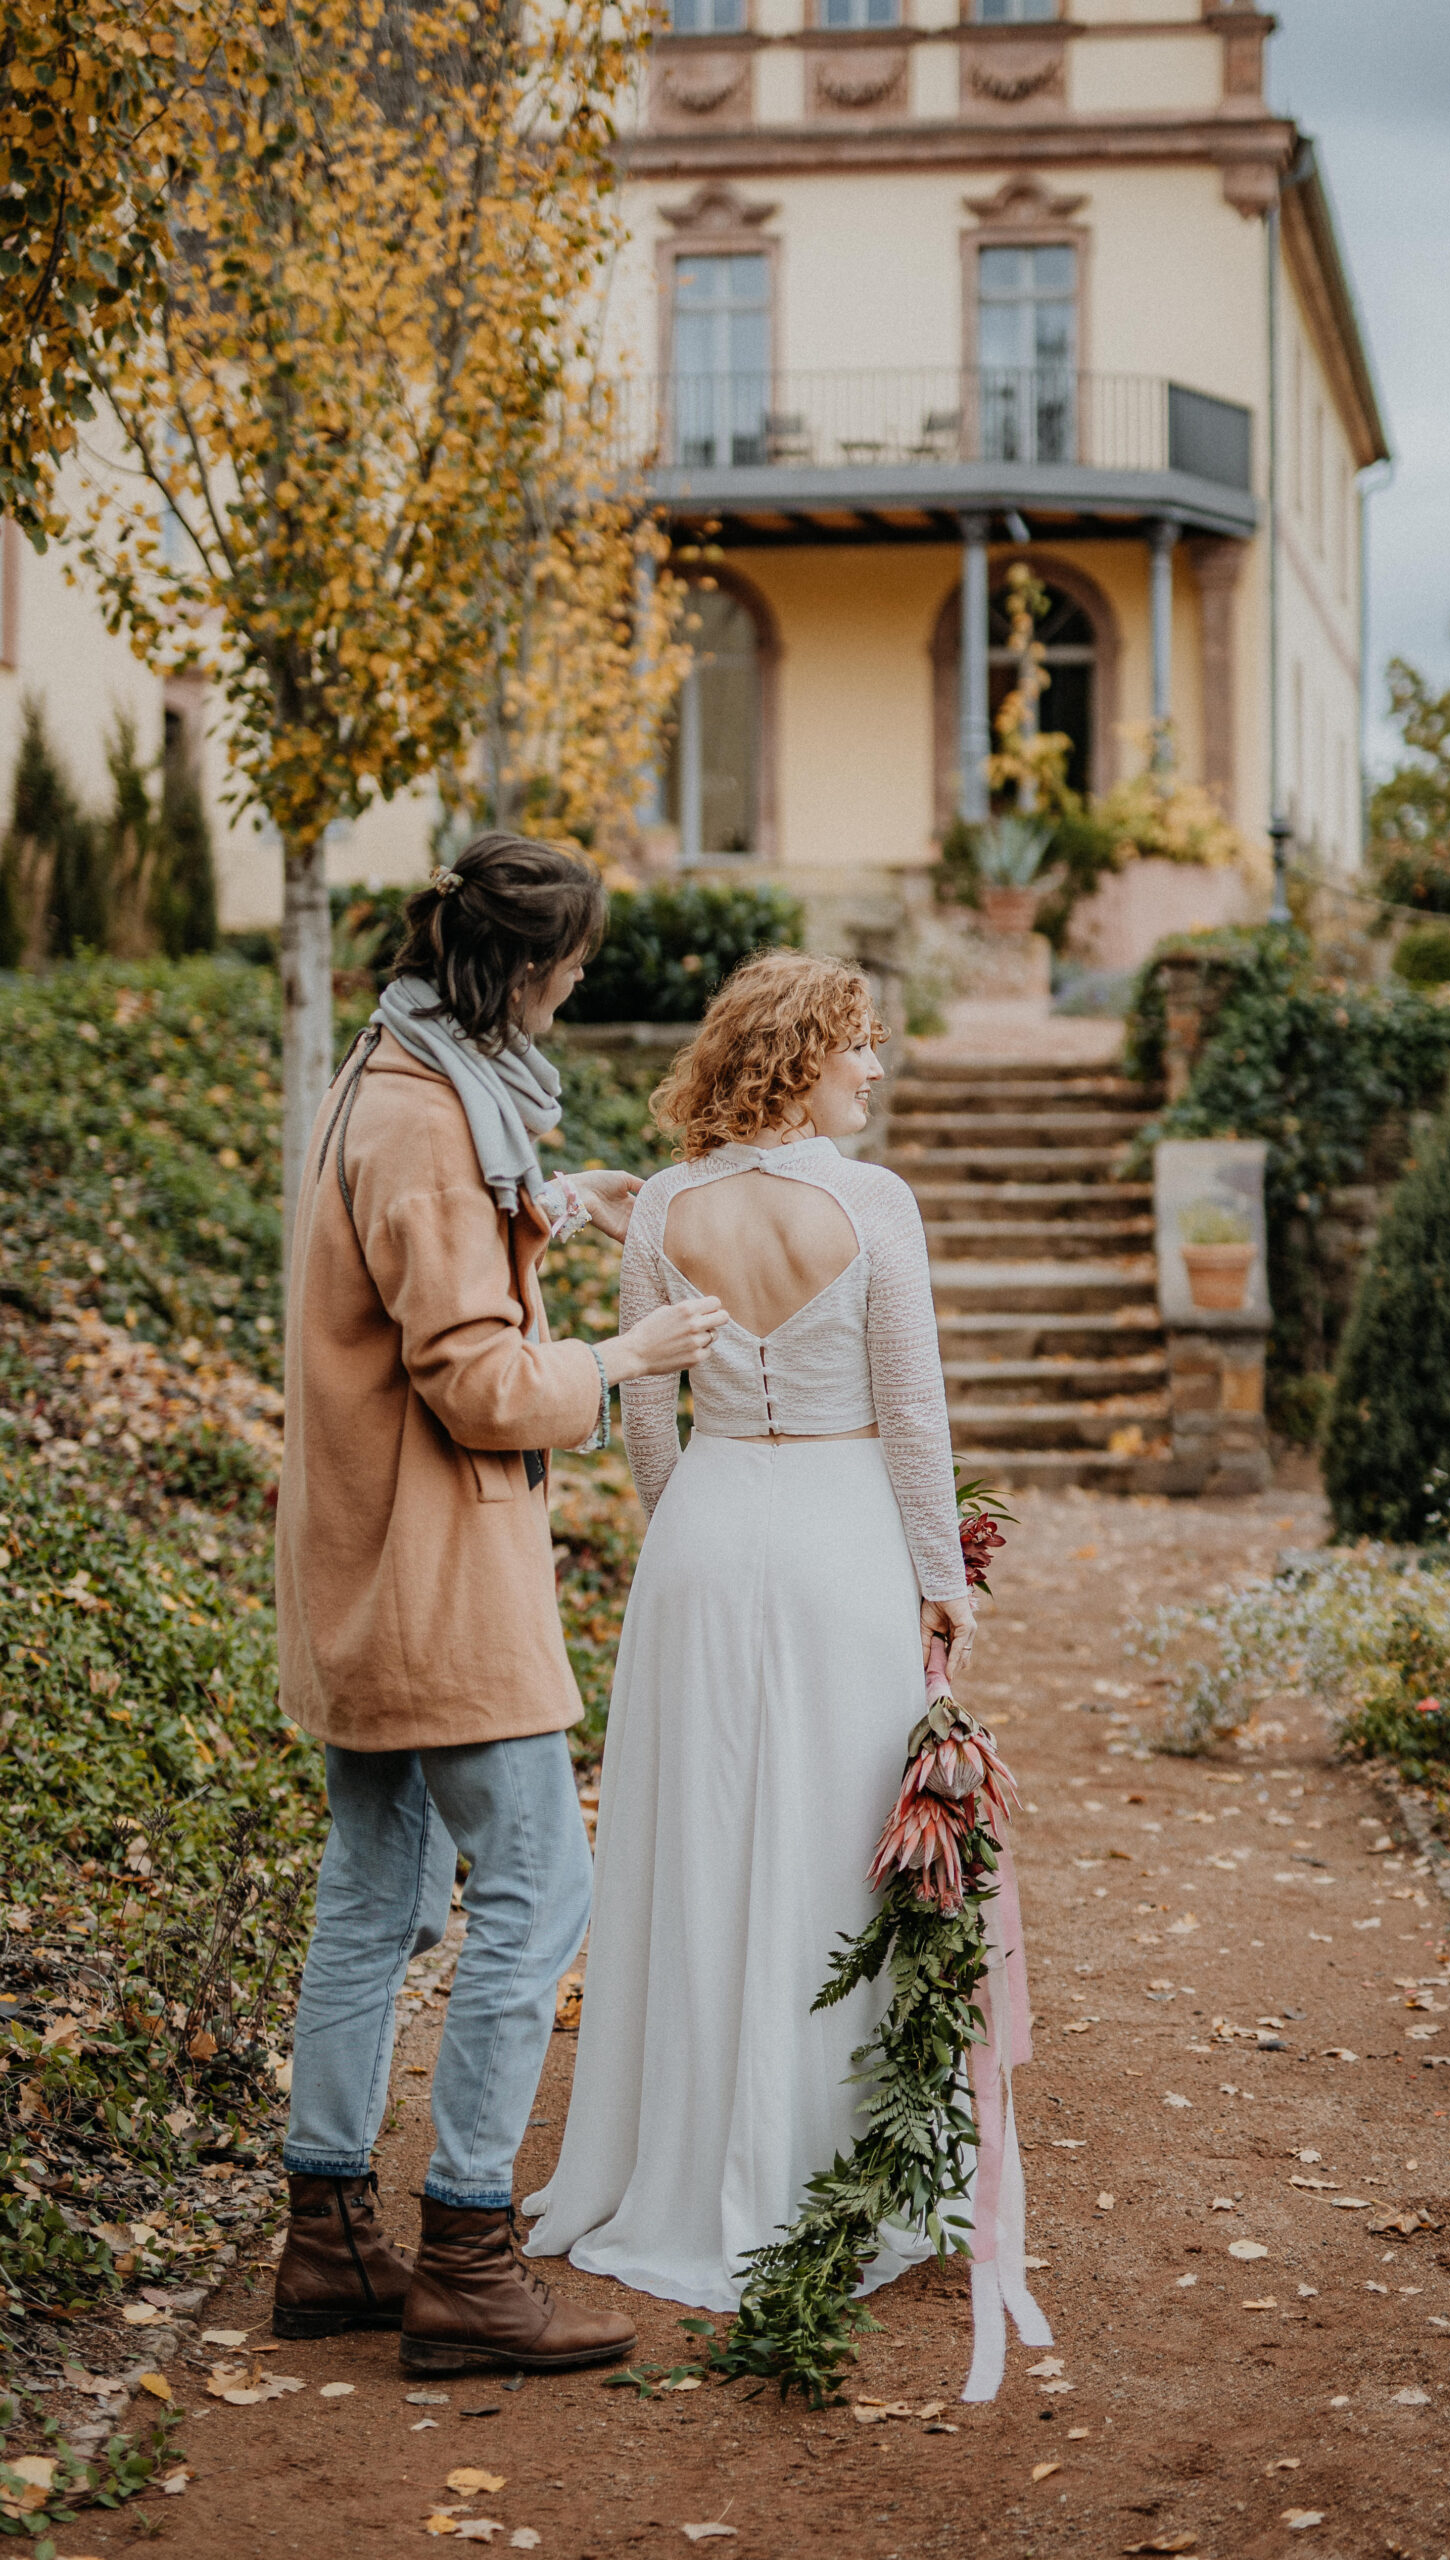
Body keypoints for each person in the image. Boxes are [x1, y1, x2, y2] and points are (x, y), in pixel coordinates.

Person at [271, 832, 726, 2376]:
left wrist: (562, 1204)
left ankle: (329, 2238)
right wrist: (623, 1359)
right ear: (525, 969)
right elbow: (474, 1380)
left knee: (374, 1894)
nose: (577, 988)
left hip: (364, 1564)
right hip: (434, 1578)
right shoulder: (428, 1122)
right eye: (574, 966)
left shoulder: (398, 1069)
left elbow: (432, 1252)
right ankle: (468, 2254)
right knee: (541, 1886)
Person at [522, 949, 976, 2310]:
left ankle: (680, 2147)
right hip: (842, 1536)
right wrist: (940, 1574)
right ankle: (824, 2157)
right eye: (859, 1045)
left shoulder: (665, 1206)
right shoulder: (875, 1204)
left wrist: (693, 1539)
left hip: (705, 1540)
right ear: (800, 1056)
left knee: (704, 1833)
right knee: (836, 1843)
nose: (874, 1069)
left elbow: (645, 1420)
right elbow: (913, 1412)